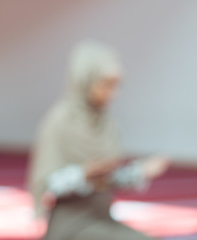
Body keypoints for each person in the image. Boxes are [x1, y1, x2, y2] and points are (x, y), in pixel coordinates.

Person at [27, 40, 169, 240]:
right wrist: (83, 174)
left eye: (116, 85)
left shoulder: (107, 123)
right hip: (71, 227)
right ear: (85, 78)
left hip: (101, 220)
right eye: (106, 84)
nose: (113, 92)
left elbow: (107, 180)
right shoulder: (60, 121)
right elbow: (47, 184)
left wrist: (139, 172)